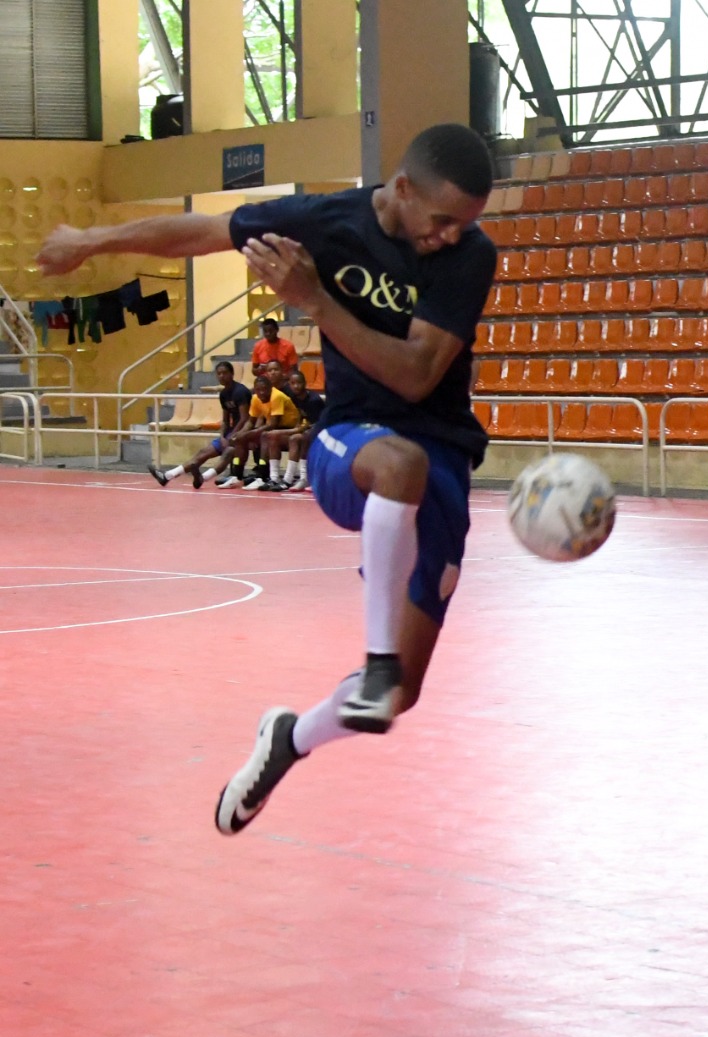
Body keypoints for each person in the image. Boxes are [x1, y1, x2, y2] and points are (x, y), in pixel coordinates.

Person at [38, 122, 497, 834]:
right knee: (397, 468)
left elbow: (415, 374)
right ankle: (374, 659)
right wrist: (90, 242)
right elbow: (199, 232)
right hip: (351, 442)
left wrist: (314, 302)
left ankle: (290, 739)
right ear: (401, 189)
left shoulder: (470, 257)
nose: (449, 236)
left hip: (442, 460)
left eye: (464, 225)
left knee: (395, 699)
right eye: (440, 221)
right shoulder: (326, 220)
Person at [146, 360, 253, 488]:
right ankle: (167, 476)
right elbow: (225, 420)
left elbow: (244, 418)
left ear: (232, 374)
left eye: (225, 373)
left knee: (228, 452)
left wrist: (232, 436)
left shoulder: (240, 392)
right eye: (219, 374)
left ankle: (203, 477)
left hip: (244, 432)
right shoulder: (224, 394)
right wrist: (223, 436)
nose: (221, 376)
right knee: (203, 452)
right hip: (230, 433)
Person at [235, 365, 302, 491]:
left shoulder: (276, 396)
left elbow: (273, 424)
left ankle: (264, 476)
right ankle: (236, 475)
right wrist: (241, 434)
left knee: (266, 436)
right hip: (277, 430)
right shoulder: (255, 398)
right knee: (240, 438)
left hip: (290, 428)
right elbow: (250, 421)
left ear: (270, 388)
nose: (261, 393)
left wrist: (251, 433)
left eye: (264, 390)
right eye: (258, 390)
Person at [262, 369, 327, 492]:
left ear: (305, 384)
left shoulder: (314, 400)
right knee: (274, 438)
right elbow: (300, 418)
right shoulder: (294, 397)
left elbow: (313, 425)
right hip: (307, 429)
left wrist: (285, 431)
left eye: (299, 383)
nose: (296, 386)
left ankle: (294, 479)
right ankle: (274, 477)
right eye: (293, 383)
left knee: (296, 438)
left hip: (321, 431)